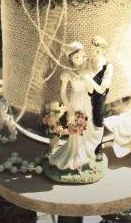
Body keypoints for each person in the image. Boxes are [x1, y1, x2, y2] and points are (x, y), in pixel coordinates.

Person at [47, 42, 107, 170]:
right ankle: (75, 153)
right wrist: (70, 109)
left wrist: (91, 80)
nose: (79, 60)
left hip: (85, 101)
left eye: (81, 56)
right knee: (75, 128)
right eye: (76, 57)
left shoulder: (87, 71)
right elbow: (63, 93)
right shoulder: (67, 73)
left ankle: (85, 153)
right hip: (74, 101)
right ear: (70, 59)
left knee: (87, 127)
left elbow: (93, 90)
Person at [88, 36, 113, 156]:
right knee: (86, 119)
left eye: (97, 51)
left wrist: (88, 79)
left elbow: (102, 88)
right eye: (92, 50)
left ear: (103, 50)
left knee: (98, 118)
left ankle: (98, 146)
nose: (94, 53)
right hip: (87, 95)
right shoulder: (88, 61)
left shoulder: (108, 67)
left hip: (99, 97)